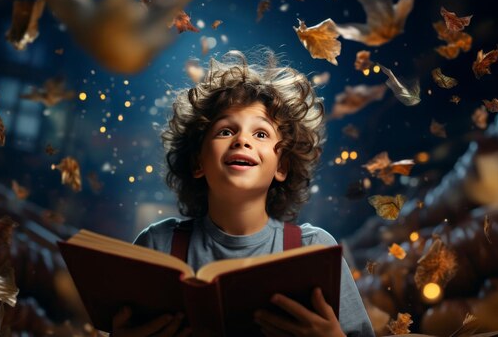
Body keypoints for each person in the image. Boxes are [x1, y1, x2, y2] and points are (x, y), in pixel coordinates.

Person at [112, 49, 375, 337]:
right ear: (198, 162)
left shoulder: (315, 249)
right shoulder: (156, 245)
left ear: (282, 167)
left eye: (260, 134)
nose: (242, 140)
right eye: (225, 131)